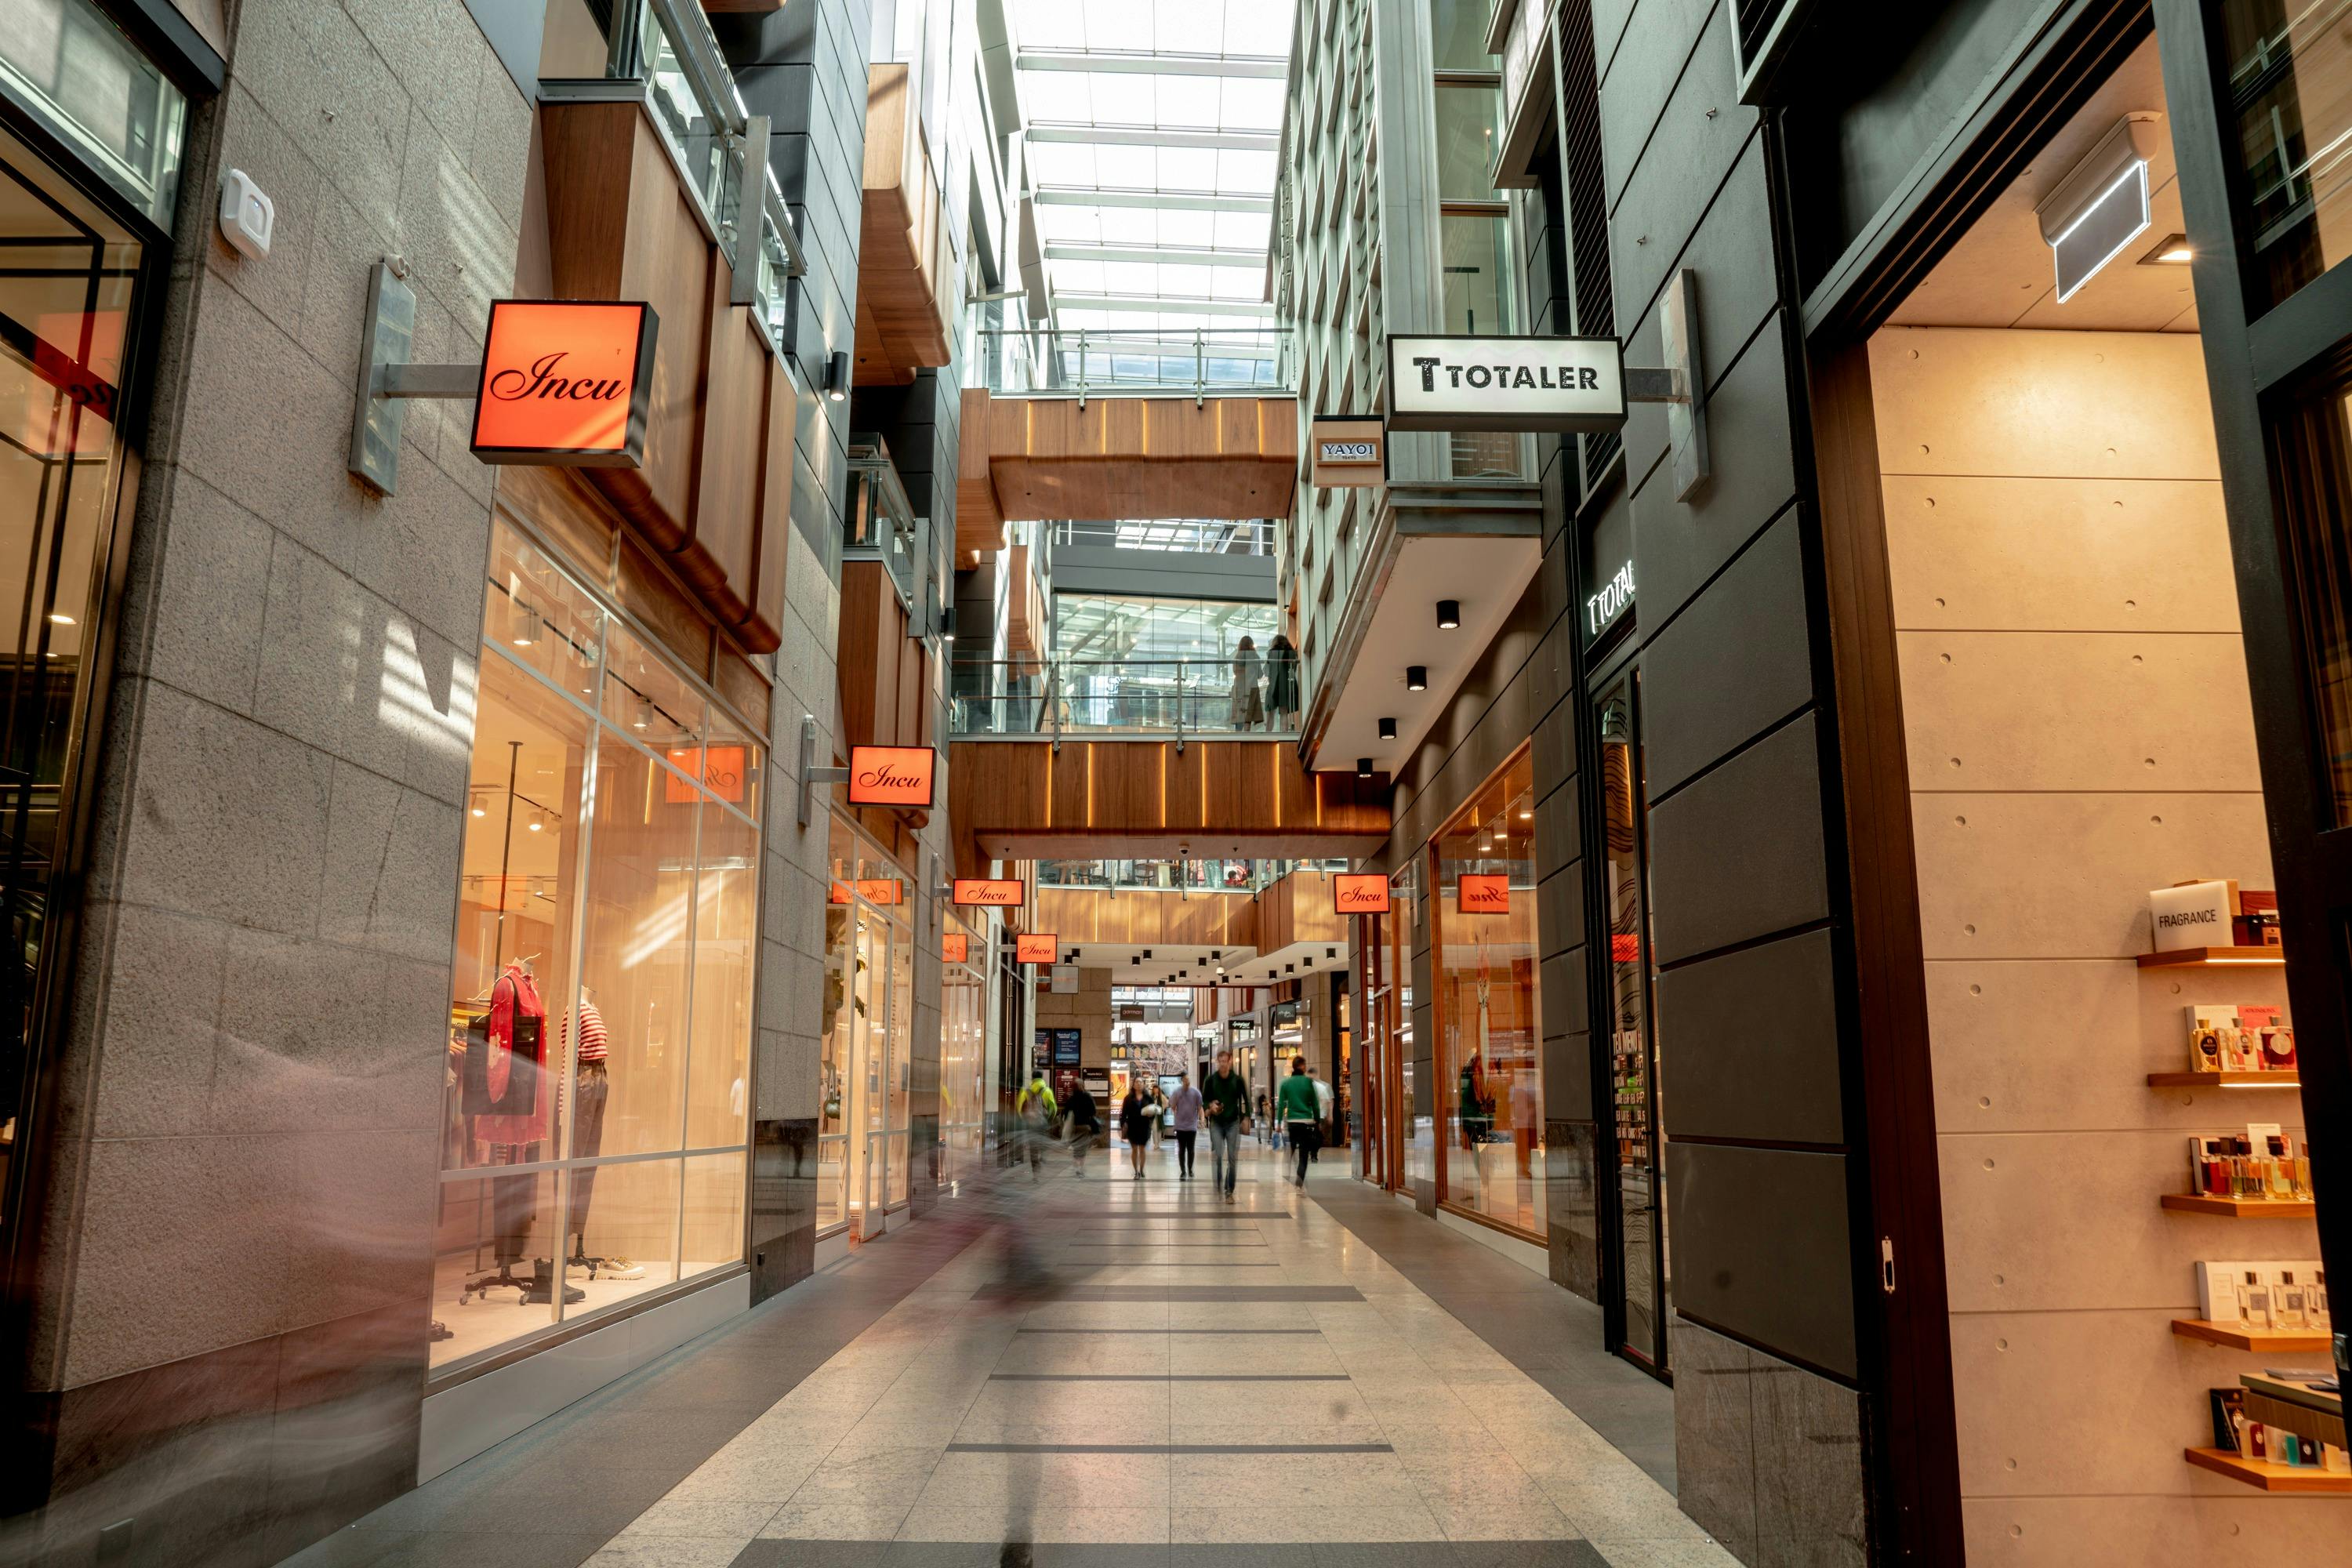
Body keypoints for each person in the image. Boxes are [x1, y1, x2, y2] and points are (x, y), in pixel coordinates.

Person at [1202, 1049, 1250, 1202]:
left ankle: (1230, 1191)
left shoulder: (1237, 1080)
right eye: (1220, 1061)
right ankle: (1219, 1179)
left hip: (1232, 1123)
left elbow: (1246, 1100)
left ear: (1230, 1062)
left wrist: (1246, 1117)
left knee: (1232, 1157)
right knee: (1218, 1154)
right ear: (1217, 1062)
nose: (1223, 1064)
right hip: (1216, 1122)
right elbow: (1204, 1100)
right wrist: (1210, 1105)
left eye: (1225, 1061)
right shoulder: (1211, 1080)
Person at [1276, 1055, 1321, 1186]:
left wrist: (1279, 1123)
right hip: (1306, 1122)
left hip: (1292, 1122)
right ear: (1301, 1066)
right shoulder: (1308, 1082)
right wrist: (1317, 1121)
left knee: (1292, 1146)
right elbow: (1315, 1104)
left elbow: (1281, 1105)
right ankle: (1299, 1181)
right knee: (1304, 1153)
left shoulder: (1285, 1083)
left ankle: (1288, 1165)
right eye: (1304, 1065)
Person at [1015, 1072, 1058, 1181]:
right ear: (1041, 1078)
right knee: (1042, 1142)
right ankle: (1042, 1155)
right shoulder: (1047, 1091)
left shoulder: (1025, 1090)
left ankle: (1036, 1175)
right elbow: (1053, 1109)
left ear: (1033, 1078)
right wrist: (1048, 1119)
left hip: (1031, 1124)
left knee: (1033, 1148)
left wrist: (1025, 1119)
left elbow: (1019, 1108)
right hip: (1043, 1123)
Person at [1168, 1073, 1203, 1180]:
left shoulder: (1196, 1093)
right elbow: (1172, 1107)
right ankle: (1183, 1171)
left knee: (1191, 1149)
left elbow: (1200, 1107)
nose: (1187, 1081)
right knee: (1181, 1149)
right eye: (1185, 1079)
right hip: (1180, 1126)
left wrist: (1202, 1118)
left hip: (1192, 1126)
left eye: (1188, 1078)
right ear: (1182, 1080)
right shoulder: (1177, 1092)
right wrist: (1177, 1116)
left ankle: (1190, 1169)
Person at [1120, 1078, 1156, 1181]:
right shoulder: (1128, 1098)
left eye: (1141, 1082)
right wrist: (1122, 1125)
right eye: (1137, 1082)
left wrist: (1150, 1117)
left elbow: (1154, 1111)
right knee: (1134, 1149)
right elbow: (1123, 1113)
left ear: (1144, 1084)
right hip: (1132, 1126)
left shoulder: (1148, 1098)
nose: (1139, 1084)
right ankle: (1136, 1172)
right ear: (1133, 1085)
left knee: (1142, 1149)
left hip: (1144, 1126)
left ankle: (1142, 1169)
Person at [1065, 1078, 1101, 1177]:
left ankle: (1077, 1168)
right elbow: (1093, 1111)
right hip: (1086, 1127)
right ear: (1082, 1086)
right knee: (1083, 1149)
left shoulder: (1071, 1098)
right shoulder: (1087, 1097)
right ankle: (1080, 1169)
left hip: (1074, 1127)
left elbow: (1066, 1112)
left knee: (1076, 1148)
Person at [1265, 631, 1299, 730]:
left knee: (1270, 714)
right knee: (1284, 714)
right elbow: (1294, 670)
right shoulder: (1292, 653)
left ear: (1275, 643)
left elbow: (1268, 672)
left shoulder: (1271, 653)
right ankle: (1284, 737)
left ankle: (1267, 737)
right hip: (1287, 686)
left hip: (1273, 686)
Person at [1229, 636, 1264, 731]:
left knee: (1239, 718)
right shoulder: (1255, 657)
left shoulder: (1236, 657)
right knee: (1248, 719)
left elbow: (1235, 672)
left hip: (1239, 690)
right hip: (1251, 690)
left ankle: (1238, 740)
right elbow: (1260, 675)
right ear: (1251, 645)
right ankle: (1246, 739)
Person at [1309, 1065, 1334, 1164]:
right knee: (1313, 1135)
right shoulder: (1307, 1087)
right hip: (1310, 1115)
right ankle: (1313, 1154)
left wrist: (1330, 1114)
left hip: (1321, 1115)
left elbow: (1330, 1101)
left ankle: (1313, 1151)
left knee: (1320, 1137)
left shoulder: (1324, 1086)